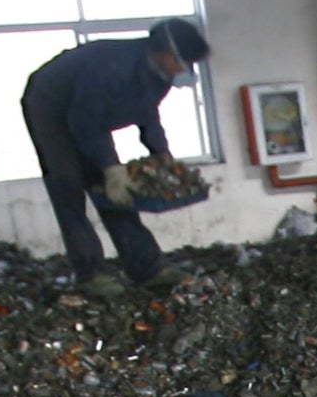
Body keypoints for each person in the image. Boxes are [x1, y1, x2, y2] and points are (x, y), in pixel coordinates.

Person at [19, 16, 209, 297]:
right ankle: (91, 274)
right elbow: (83, 123)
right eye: (184, 62)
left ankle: (148, 269)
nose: (186, 70)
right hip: (50, 108)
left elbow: (149, 116)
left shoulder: (160, 77)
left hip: (89, 117)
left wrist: (163, 156)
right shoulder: (112, 68)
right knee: (69, 187)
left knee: (116, 194)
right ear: (167, 53)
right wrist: (110, 167)